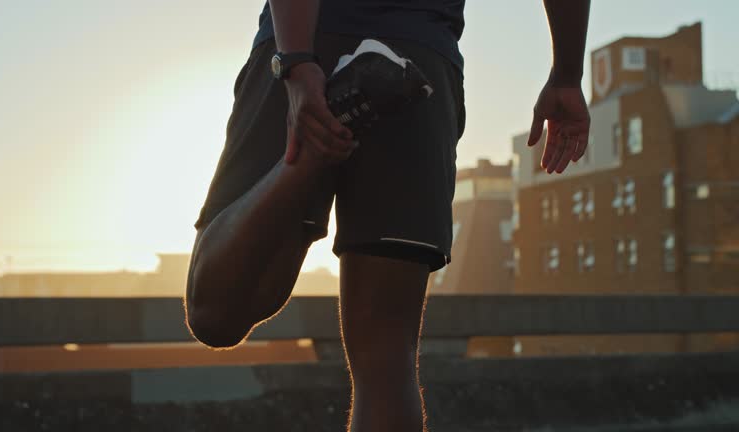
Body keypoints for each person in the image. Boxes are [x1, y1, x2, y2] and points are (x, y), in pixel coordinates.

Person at [186, 1, 590, 431]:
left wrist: (298, 62)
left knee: (215, 314)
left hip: (308, 33)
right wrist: (566, 72)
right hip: (417, 65)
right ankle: (313, 150)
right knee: (388, 357)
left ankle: (301, 162)